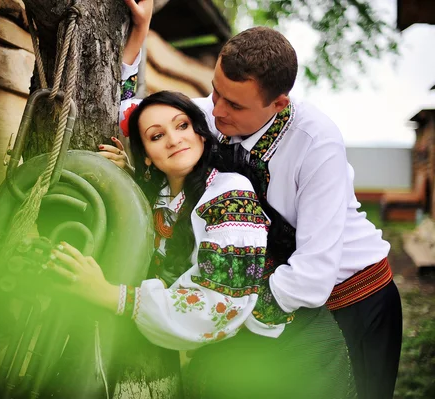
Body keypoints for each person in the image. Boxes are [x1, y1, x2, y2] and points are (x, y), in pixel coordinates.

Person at [103, 2, 403, 398]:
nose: (217, 110)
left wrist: (221, 307)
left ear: (278, 103)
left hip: (350, 298)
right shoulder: (215, 113)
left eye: (235, 104)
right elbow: (136, 115)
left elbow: (312, 277)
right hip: (271, 299)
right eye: (216, 92)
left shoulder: (317, 144)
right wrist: (139, 34)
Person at [44, 90, 356, 398]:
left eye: (182, 126)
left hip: (292, 357)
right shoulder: (161, 195)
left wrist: (111, 295)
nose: (174, 139)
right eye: (156, 136)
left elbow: (216, 304)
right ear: (147, 157)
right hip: (232, 357)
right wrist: (126, 180)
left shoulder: (230, 194)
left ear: (202, 134)